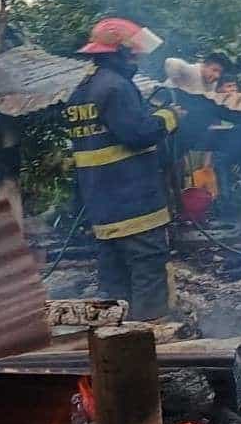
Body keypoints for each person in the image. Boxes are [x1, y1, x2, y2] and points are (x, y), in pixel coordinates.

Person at [67, 17, 181, 321]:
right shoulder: (116, 87)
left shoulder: (82, 89)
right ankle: (151, 338)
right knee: (147, 273)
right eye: (133, 53)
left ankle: (116, 341)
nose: (138, 58)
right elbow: (137, 133)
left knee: (115, 284)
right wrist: (169, 117)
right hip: (134, 203)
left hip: (103, 207)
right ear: (117, 52)